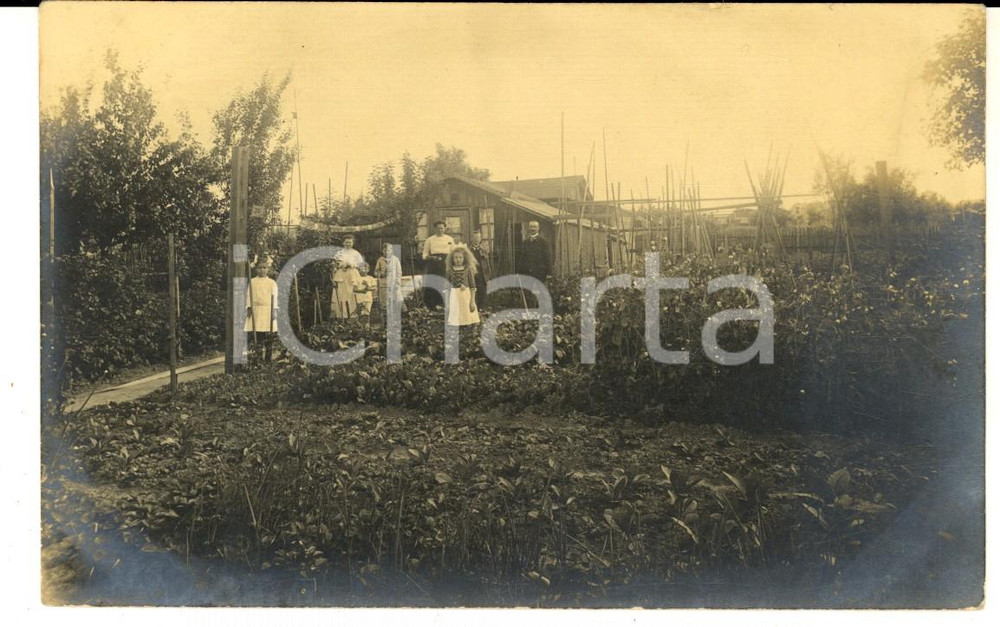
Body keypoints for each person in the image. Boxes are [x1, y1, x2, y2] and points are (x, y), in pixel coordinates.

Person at [245, 262, 279, 364]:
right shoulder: (252, 282)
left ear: (268, 269)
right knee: (258, 335)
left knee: (269, 335)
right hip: (257, 310)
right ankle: (258, 358)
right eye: (260, 268)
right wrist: (249, 309)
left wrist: (274, 310)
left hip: (268, 309)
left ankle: (268, 359)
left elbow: (275, 298)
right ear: (256, 269)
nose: (262, 270)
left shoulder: (272, 282)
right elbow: (249, 296)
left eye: (264, 267)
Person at [421, 220, 454, 308]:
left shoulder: (449, 239)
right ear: (435, 229)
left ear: (445, 228)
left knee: (445, 282)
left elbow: (453, 253)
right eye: (438, 228)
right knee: (433, 282)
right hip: (433, 264)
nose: (440, 230)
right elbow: (424, 255)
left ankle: (445, 305)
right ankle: (432, 305)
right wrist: (431, 258)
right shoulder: (430, 240)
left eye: (442, 228)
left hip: (446, 264)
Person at [445, 245, 480, 327]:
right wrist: (447, 303)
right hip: (454, 296)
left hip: (466, 296)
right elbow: (447, 287)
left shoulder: (468, 269)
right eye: (456, 257)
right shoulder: (450, 270)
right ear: (452, 259)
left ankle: (468, 329)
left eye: (460, 257)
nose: (458, 260)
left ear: (464, 258)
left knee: (467, 316)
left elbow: (472, 286)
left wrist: (472, 301)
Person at [331, 235, 363, 319]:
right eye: (346, 242)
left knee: (351, 293)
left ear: (353, 243)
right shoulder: (339, 253)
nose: (348, 244)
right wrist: (340, 266)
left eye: (350, 242)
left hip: (352, 275)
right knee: (341, 294)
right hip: (341, 275)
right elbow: (334, 264)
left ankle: (352, 315)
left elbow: (360, 264)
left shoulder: (356, 253)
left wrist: (352, 265)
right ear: (343, 243)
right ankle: (342, 315)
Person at [374, 242, 405, 313]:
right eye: (385, 250)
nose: (387, 252)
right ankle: (386, 314)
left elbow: (399, 272)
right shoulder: (380, 260)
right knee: (385, 301)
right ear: (382, 251)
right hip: (384, 284)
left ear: (391, 250)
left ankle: (404, 313)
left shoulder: (395, 260)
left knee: (398, 298)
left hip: (394, 283)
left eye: (388, 250)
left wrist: (397, 283)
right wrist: (382, 273)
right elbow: (375, 272)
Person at [468, 230, 493, 310]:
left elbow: (487, 264)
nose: (476, 239)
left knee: (482, 289)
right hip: (471, 273)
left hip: (482, 273)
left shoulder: (483, 250)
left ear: (480, 239)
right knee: (472, 289)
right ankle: (474, 307)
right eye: (474, 237)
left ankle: (482, 308)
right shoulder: (468, 250)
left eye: (478, 238)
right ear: (471, 239)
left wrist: (488, 276)